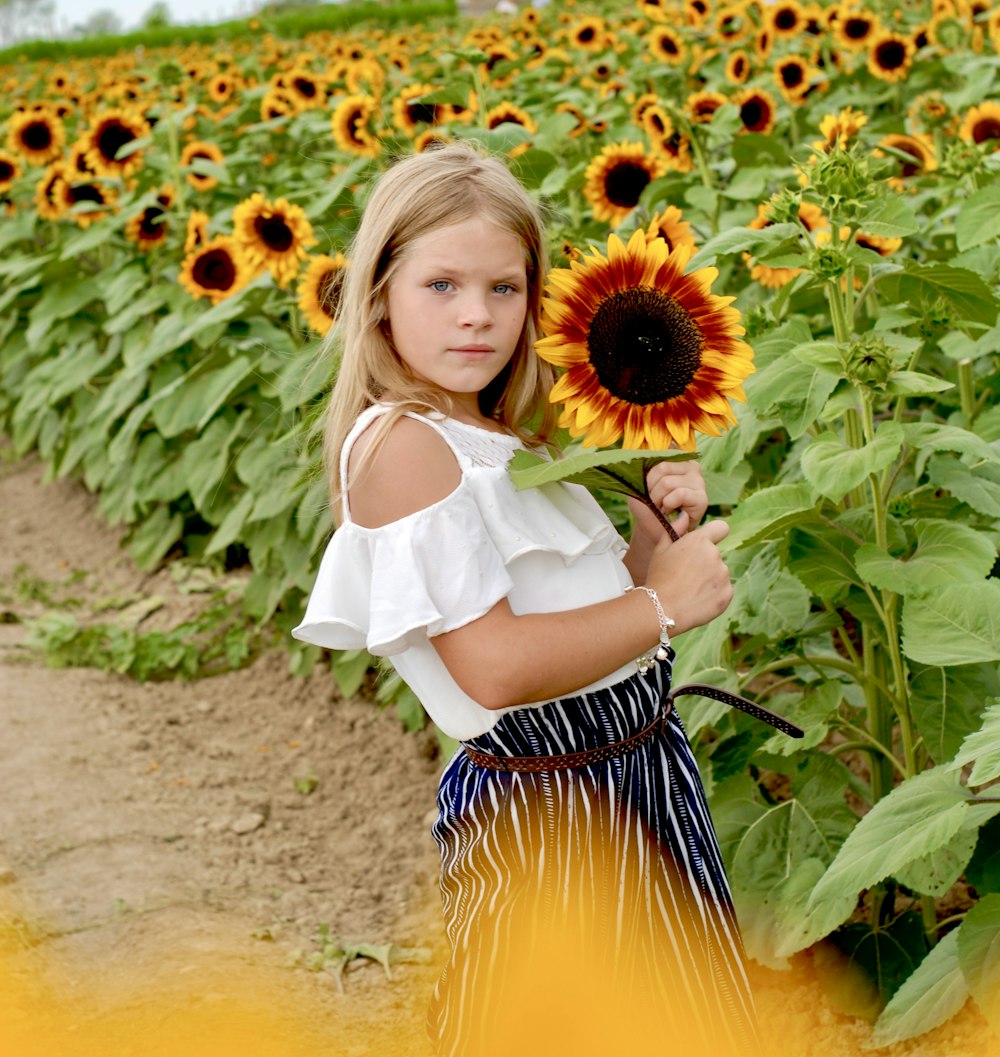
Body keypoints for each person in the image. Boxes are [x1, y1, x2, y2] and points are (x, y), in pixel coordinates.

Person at [292, 143, 784, 1056]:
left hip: (636, 771)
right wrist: (665, 606)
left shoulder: (497, 435)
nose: (477, 316)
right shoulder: (404, 447)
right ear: (377, 296)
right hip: (548, 807)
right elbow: (494, 667)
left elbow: (590, 622)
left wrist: (648, 537)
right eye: (441, 285)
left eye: (505, 289)